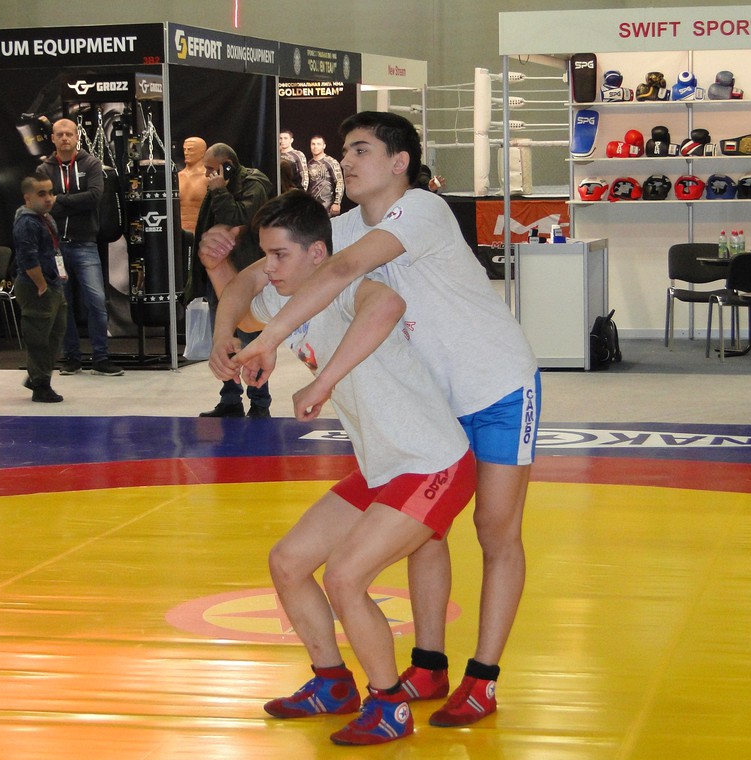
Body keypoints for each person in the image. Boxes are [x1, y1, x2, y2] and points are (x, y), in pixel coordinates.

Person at [207, 111, 541, 727]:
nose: (347, 159)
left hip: (493, 384)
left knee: (495, 532)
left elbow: (338, 273)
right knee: (427, 532)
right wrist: (226, 330)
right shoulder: (337, 227)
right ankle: (429, 664)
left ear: (399, 162)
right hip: (434, 396)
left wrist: (275, 343)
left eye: (360, 149)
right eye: (345, 149)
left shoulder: (422, 209)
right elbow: (256, 278)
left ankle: (484, 678)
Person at [215, 189, 476, 746]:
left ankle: (389, 705)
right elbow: (239, 294)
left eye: (279, 256)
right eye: (265, 255)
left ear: (318, 254)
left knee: (345, 577)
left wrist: (323, 382)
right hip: (384, 467)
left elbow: (388, 308)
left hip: (431, 462)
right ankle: (333, 684)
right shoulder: (287, 301)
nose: (269, 268)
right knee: (288, 562)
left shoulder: (349, 287)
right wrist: (221, 320)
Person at [190, 143, 273, 418]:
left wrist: (219, 190)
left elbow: (238, 217)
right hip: (219, 275)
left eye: (212, 169)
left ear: (228, 165)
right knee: (223, 338)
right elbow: (207, 228)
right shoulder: (217, 187)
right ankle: (230, 398)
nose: (208, 175)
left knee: (251, 339)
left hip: (245, 275)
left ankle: (259, 402)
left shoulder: (254, 184)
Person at [36, 118, 123, 377]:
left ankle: (100, 357)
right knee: (63, 303)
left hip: (85, 244)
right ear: (53, 138)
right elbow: (42, 203)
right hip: (56, 247)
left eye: (69, 134)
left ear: (77, 137)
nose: (65, 138)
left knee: (96, 301)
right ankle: (72, 357)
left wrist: (60, 201)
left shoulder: (91, 164)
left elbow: (95, 196)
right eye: (60, 134)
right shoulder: (44, 168)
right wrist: (71, 202)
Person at [12, 176, 68, 404]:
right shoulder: (27, 223)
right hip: (35, 286)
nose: (49, 198)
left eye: (51, 192)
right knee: (39, 338)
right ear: (28, 198)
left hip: (52, 282)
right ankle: (41, 385)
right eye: (42, 194)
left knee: (55, 333)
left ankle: (38, 375)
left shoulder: (45, 218)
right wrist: (41, 284)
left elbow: (51, 251)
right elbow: (28, 258)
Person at [176, 136, 209, 233]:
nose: (186, 153)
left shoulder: (208, 177)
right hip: (179, 234)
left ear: (202, 152)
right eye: (184, 149)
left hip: (201, 233)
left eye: (190, 150)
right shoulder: (177, 177)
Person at [306, 135, 344, 216]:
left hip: (327, 206)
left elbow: (339, 182)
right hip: (312, 206)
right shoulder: (309, 163)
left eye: (318, 144)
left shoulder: (331, 162)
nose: (315, 147)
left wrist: (337, 203)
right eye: (313, 144)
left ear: (324, 146)